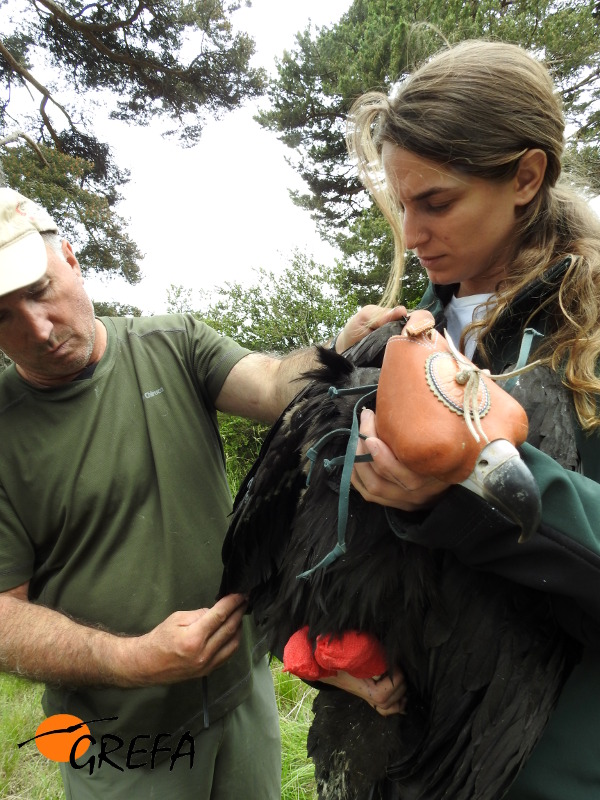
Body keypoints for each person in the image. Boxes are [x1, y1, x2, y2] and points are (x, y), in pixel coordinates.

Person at [0, 186, 405, 799]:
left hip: (243, 696)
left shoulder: (172, 343)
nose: (37, 327)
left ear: (73, 261)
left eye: (38, 292)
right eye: (1, 313)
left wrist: (338, 353)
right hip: (120, 741)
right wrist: (134, 660)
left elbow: (273, 386)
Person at [345, 39, 600, 799]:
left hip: (553, 770)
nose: (411, 235)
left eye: (437, 202)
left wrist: (471, 479)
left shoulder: (586, 338)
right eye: (401, 203)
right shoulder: (397, 341)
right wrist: (337, 649)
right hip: (413, 761)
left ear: (526, 176)